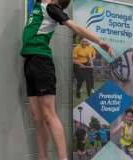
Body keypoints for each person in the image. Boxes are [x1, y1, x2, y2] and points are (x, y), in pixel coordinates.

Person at [20, 0, 114, 159]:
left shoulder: (50, 8)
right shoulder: (38, 4)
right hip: (30, 61)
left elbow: (76, 27)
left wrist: (99, 41)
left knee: (48, 114)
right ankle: (42, 157)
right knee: (36, 117)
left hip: (41, 61)